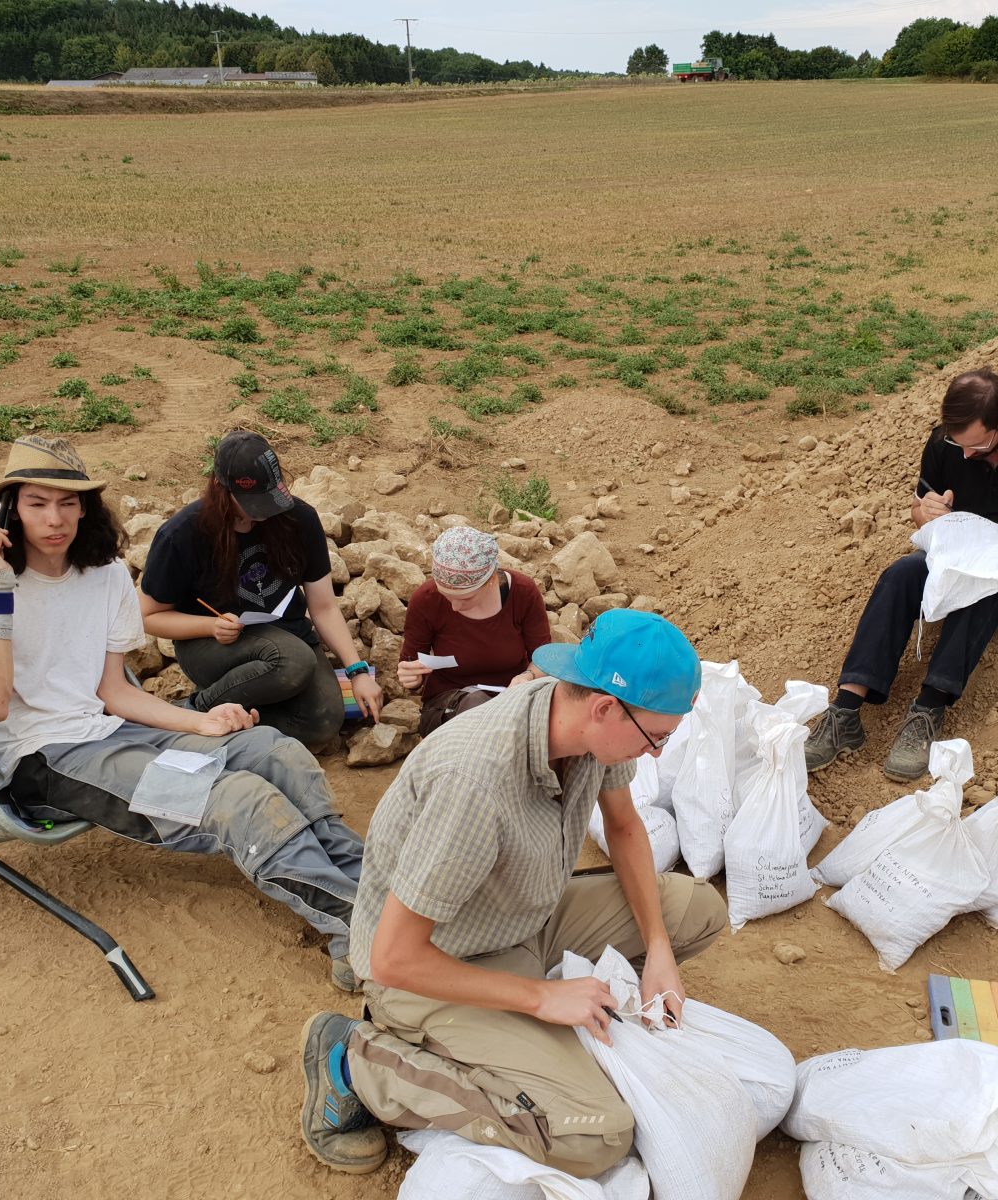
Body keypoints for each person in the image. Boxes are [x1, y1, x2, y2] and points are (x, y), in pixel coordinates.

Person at [295, 610, 728, 1176]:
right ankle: (357, 1061)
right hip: (433, 963)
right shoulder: (474, 783)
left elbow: (622, 827)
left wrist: (659, 948)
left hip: (521, 916)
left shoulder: (583, 724)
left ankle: (531, 1022)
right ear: (603, 707)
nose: (655, 755)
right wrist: (542, 999)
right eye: (656, 739)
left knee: (697, 911)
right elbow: (393, 957)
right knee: (594, 1138)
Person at [0, 434, 366, 986]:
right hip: (43, 757)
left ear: (86, 509)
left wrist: (202, 721)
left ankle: (377, 890)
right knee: (238, 799)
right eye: (37, 503)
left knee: (276, 753)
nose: (55, 519)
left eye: (69, 503)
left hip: (112, 729)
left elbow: (114, 692)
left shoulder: (107, 575)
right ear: (8, 510)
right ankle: (355, 927)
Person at [806, 368, 998, 782]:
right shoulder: (948, 442)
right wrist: (926, 511)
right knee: (900, 574)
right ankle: (845, 711)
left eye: (979, 446)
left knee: (985, 578)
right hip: (963, 550)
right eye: (959, 444)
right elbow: (919, 509)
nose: (966, 455)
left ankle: (929, 709)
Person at [139, 431, 381, 755]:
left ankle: (237, 722)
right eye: (254, 504)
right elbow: (148, 616)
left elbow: (322, 607)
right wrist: (210, 626)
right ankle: (196, 711)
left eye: (271, 499)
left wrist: (357, 671)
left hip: (286, 633)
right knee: (294, 661)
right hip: (212, 644)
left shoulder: (300, 519)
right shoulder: (181, 534)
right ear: (221, 488)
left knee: (324, 720)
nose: (265, 512)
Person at [397, 525, 553, 735]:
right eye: (446, 596)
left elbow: (544, 658)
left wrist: (528, 676)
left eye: (465, 598)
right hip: (450, 703)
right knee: (477, 705)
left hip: (512, 698)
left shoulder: (523, 593)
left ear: (491, 580)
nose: (454, 607)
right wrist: (412, 678)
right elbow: (412, 664)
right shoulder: (425, 598)